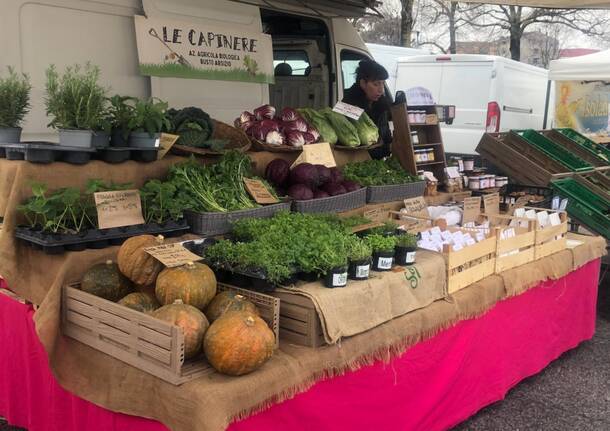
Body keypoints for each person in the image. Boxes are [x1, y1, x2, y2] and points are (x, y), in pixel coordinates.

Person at [342, 59, 393, 159]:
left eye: (383, 83)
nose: (381, 90)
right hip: (357, 161)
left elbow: (386, 135)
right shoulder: (348, 106)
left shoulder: (382, 104)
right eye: (376, 84)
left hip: (381, 161)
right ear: (363, 83)